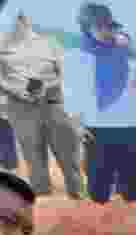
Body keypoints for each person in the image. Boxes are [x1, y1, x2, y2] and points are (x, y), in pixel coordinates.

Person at [62, 4, 136, 206]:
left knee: (132, 187)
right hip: (97, 128)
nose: (107, 31)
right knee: (98, 187)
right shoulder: (74, 58)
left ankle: (133, 231)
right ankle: (101, 234)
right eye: (100, 27)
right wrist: (76, 124)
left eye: (110, 26)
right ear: (87, 28)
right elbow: (70, 95)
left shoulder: (129, 56)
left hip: (134, 127)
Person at [0, 13, 84, 200]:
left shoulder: (49, 43)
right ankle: (44, 214)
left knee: (70, 163)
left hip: (54, 105)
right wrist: (19, 90)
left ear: (24, 21)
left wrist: (47, 85)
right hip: (21, 109)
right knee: (36, 164)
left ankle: (80, 205)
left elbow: (66, 73)